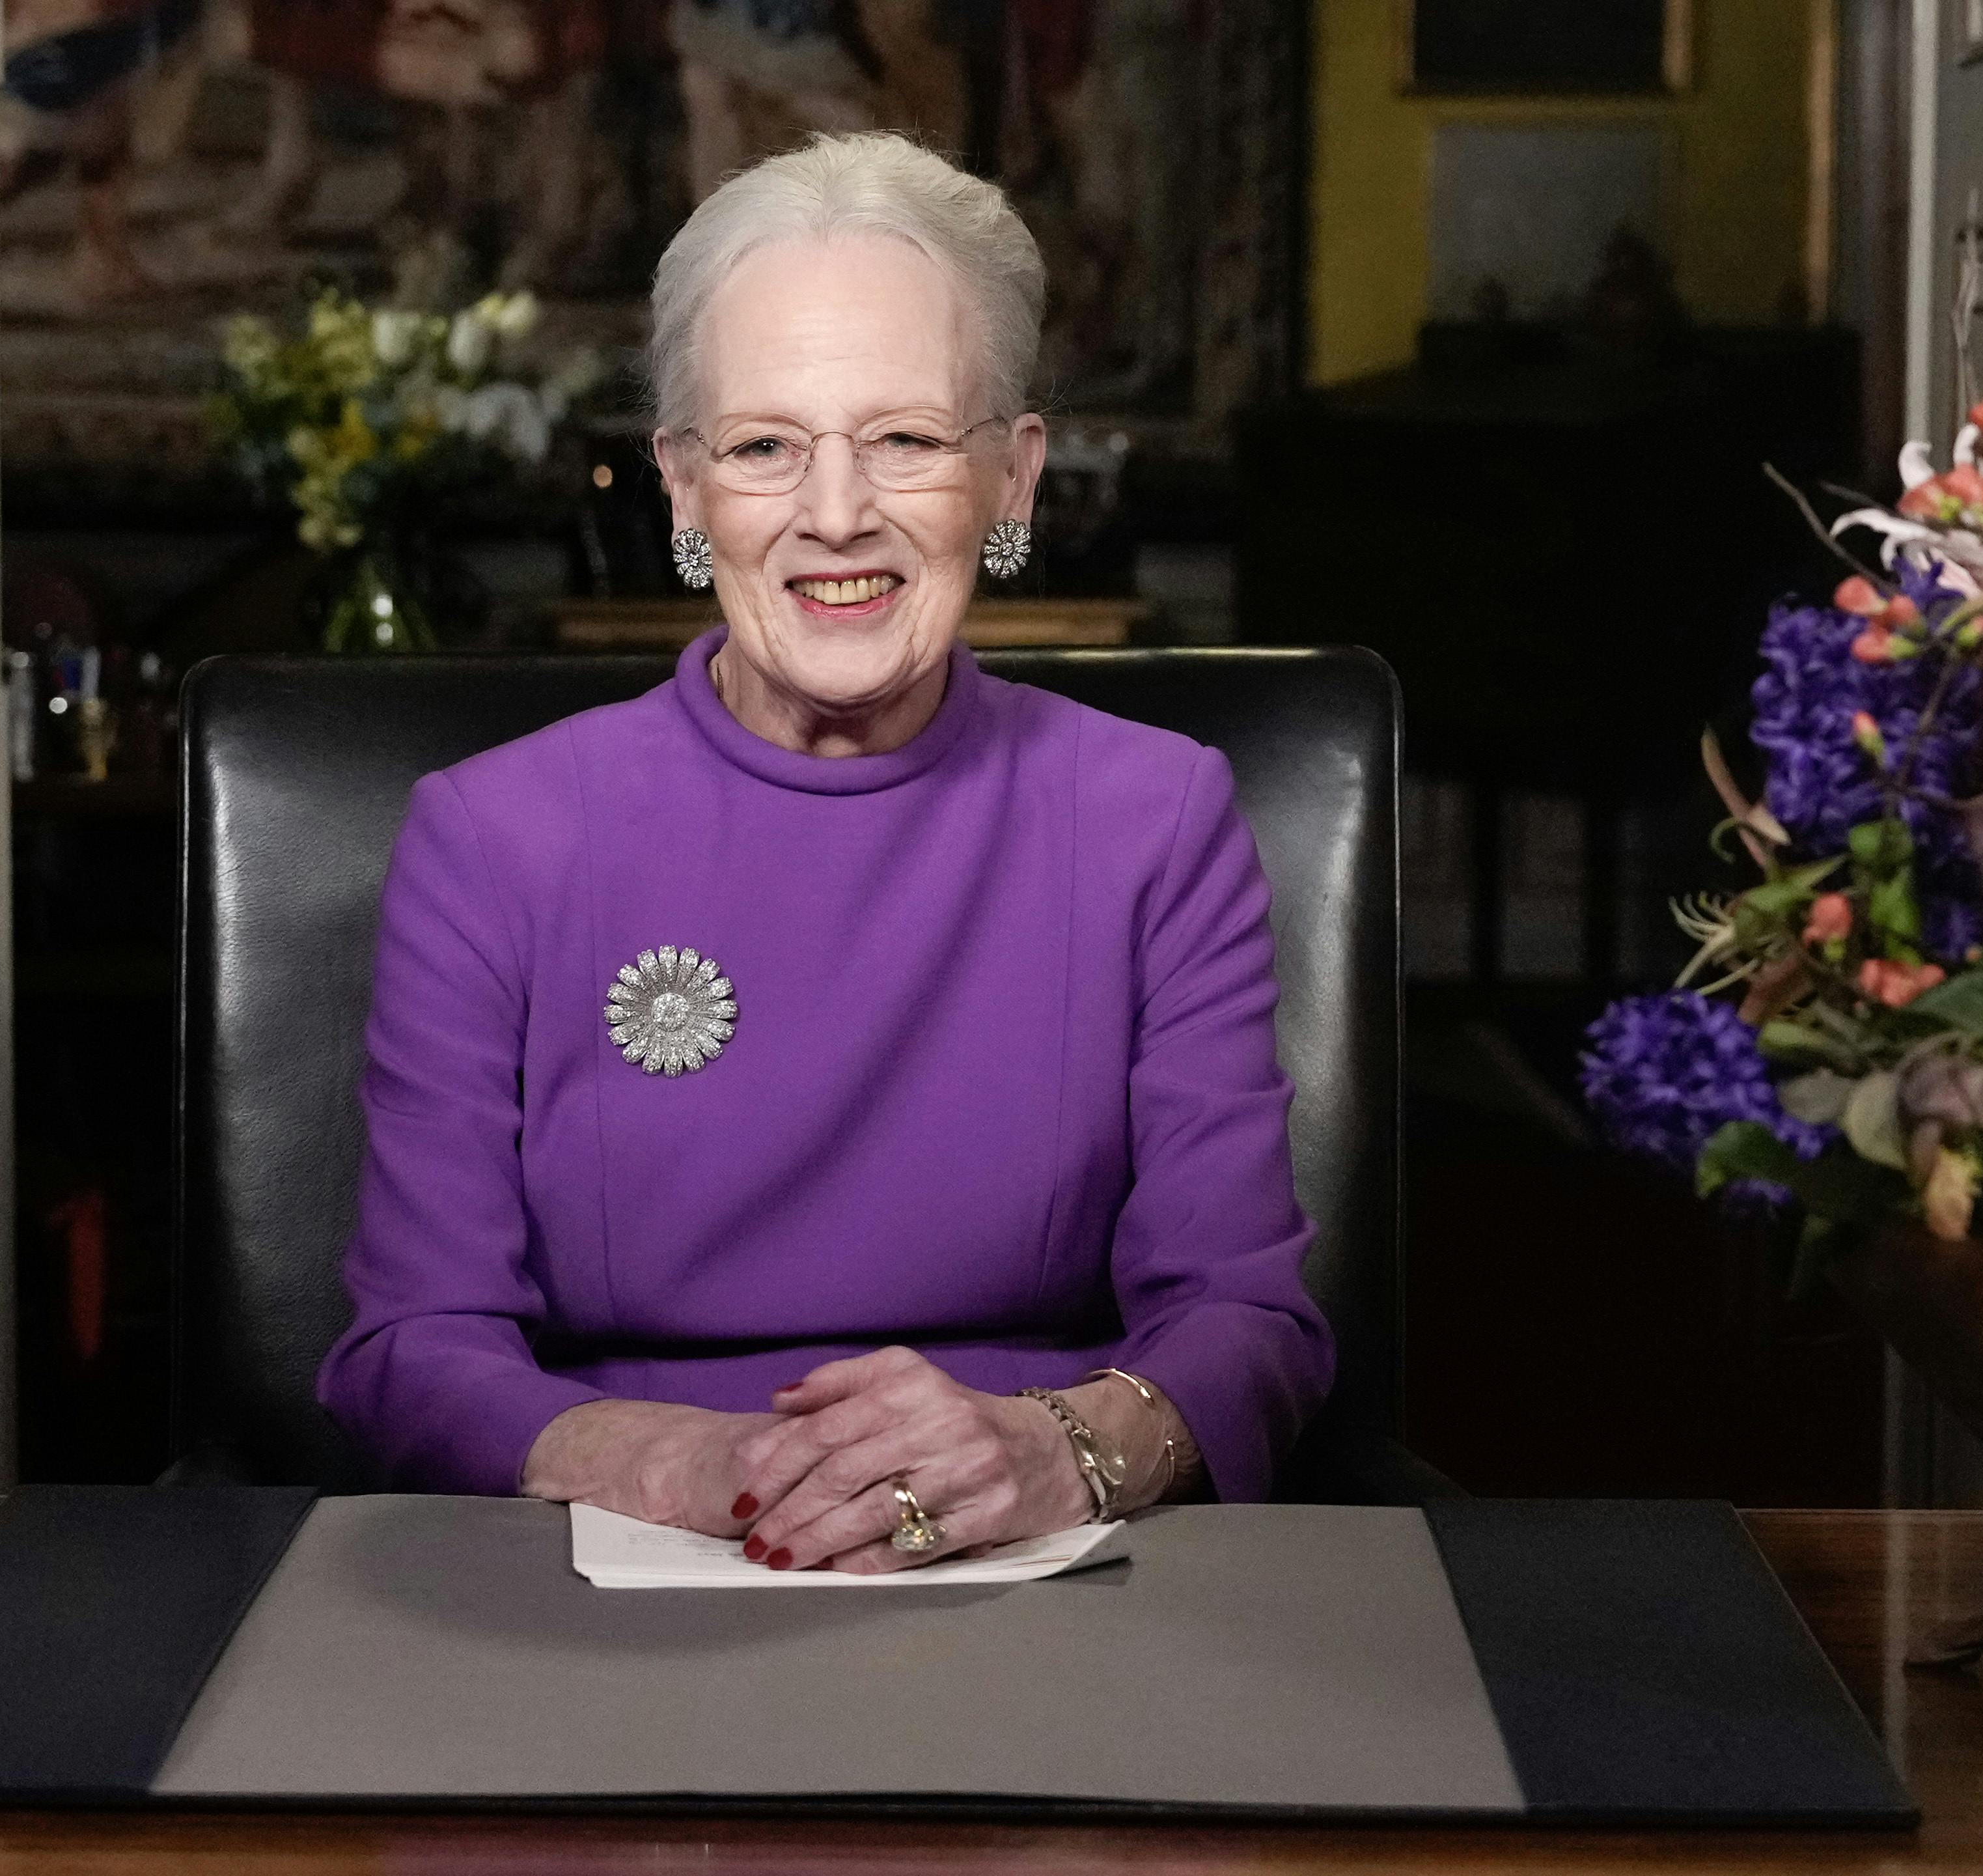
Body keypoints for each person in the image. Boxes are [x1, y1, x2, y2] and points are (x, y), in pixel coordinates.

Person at [317, 130, 1332, 1572]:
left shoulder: (1153, 818)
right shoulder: (493, 835)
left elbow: (1250, 1326)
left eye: (907, 439)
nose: (835, 513)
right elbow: (411, 1348)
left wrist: (1057, 1447)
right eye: (763, 446)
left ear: (1014, 479)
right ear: (682, 488)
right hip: (611, 1561)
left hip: (1041, 1568)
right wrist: (690, 1460)